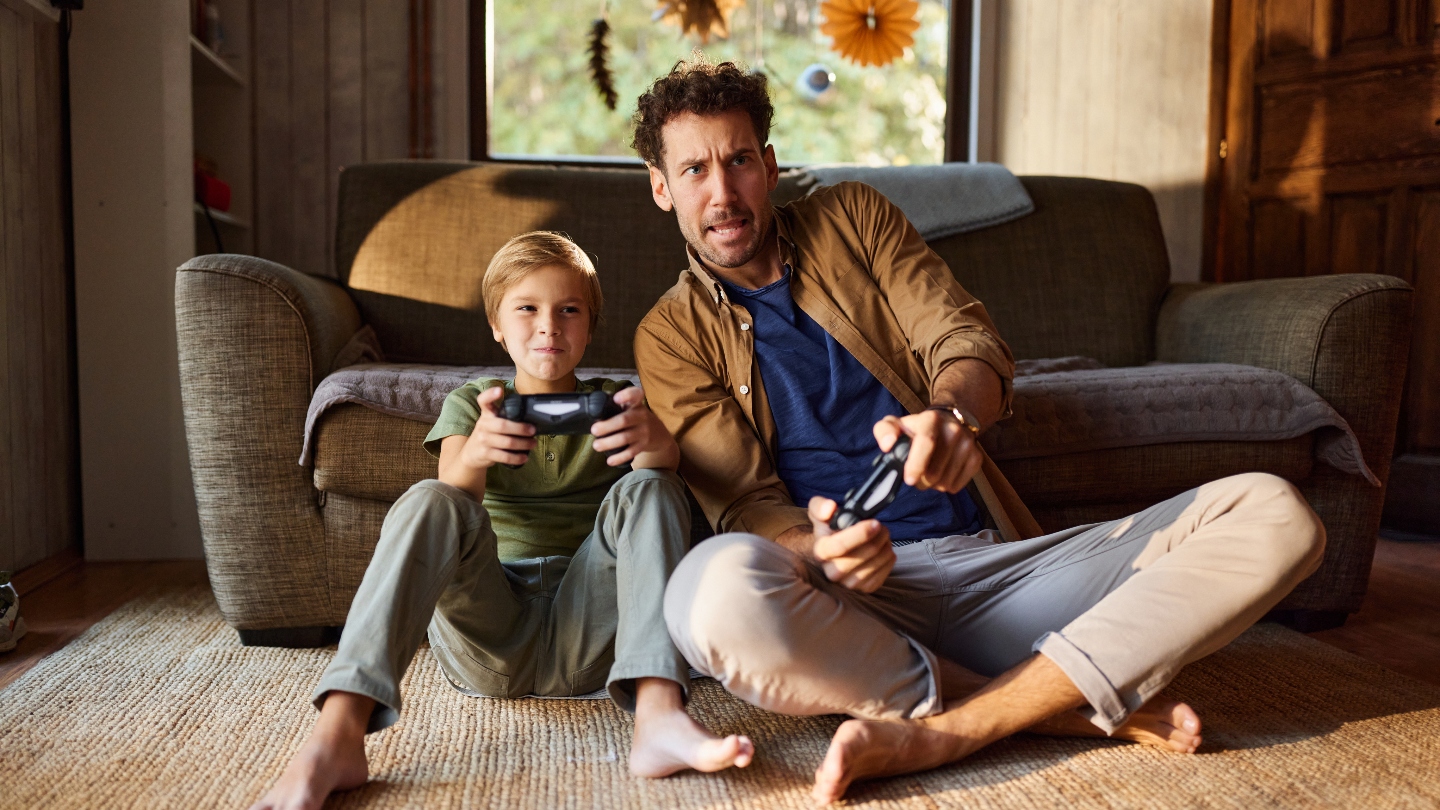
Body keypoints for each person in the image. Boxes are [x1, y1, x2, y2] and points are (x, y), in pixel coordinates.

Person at [629, 59, 1326, 805]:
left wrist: (953, 416)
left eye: (739, 161)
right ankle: (1057, 708)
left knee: (1274, 513)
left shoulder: (853, 217)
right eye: (695, 170)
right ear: (662, 186)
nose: (723, 193)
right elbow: (744, 505)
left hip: (1001, 579)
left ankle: (950, 728)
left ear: (769, 166)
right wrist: (817, 550)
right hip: (847, 608)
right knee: (706, 592)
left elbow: (964, 340)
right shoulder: (669, 335)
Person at [251, 231, 752, 810]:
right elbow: (452, 495)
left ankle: (659, 714)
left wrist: (655, 445)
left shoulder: (620, 401)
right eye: (527, 309)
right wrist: (477, 453)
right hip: (491, 634)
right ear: (496, 324)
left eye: (569, 310)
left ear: (591, 326)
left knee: (654, 485)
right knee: (431, 497)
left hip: (591, 631)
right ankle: (337, 733)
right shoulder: (474, 403)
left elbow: (654, 495)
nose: (549, 327)